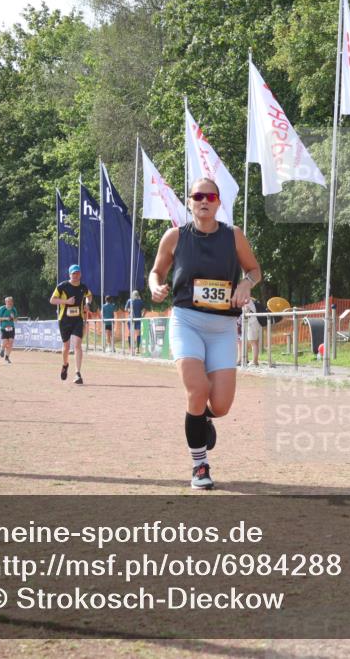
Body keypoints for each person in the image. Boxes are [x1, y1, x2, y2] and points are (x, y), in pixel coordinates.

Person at [149, 177, 261, 490]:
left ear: (218, 202)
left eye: (210, 196)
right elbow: (157, 271)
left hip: (223, 327)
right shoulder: (175, 236)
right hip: (187, 321)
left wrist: (246, 284)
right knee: (197, 389)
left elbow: (254, 270)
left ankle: (202, 418)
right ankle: (200, 465)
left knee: (221, 405)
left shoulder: (233, 236)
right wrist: (154, 286)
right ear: (189, 201)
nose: (204, 201)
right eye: (198, 195)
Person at [50, 264, 92, 384]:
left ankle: (78, 373)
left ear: (80, 274)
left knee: (77, 345)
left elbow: (89, 295)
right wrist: (66, 301)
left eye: (77, 273)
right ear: (69, 274)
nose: (75, 275)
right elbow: (52, 300)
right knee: (66, 346)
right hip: (64, 320)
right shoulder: (62, 286)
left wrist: (88, 304)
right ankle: (65, 364)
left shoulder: (83, 287)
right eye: (73, 273)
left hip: (78, 319)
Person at [0, 296, 18, 364]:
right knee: (5, 342)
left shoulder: (14, 309)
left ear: (12, 302)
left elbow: (16, 320)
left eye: (10, 301)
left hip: (11, 328)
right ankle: (2, 349)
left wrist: (13, 318)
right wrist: (6, 318)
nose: (9, 303)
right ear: (5, 302)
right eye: (8, 301)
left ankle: (7, 357)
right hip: (3, 328)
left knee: (11, 342)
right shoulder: (2, 308)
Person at [241, 300, 261, 365]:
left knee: (253, 342)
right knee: (255, 342)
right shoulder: (250, 300)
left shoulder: (246, 300)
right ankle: (255, 360)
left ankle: (255, 361)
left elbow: (246, 310)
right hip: (255, 322)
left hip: (252, 323)